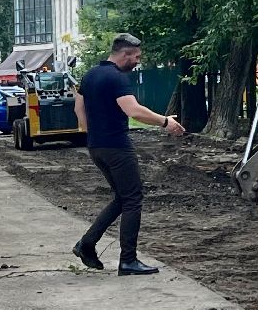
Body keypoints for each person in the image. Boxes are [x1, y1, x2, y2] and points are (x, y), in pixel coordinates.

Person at [72, 33, 185, 275]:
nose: (137, 61)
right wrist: (165, 122)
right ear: (125, 54)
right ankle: (128, 261)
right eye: (136, 57)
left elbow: (78, 107)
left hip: (96, 147)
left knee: (122, 198)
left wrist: (91, 132)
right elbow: (133, 111)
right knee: (133, 199)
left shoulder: (90, 75)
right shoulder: (116, 78)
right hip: (117, 147)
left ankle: (86, 244)